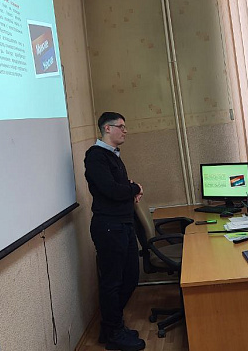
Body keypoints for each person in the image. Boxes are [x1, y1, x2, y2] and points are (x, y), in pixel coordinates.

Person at [85, 112, 145, 351]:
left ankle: (111, 327)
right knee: (112, 282)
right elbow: (111, 190)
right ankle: (114, 333)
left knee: (130, 277)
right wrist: (134, 188)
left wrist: (131, 189)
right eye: (121, 126)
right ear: (107, 129)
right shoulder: (95, 156)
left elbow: (120, 187)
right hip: (109, 227)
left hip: (123, 224)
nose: (125, 130)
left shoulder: (113, 156)